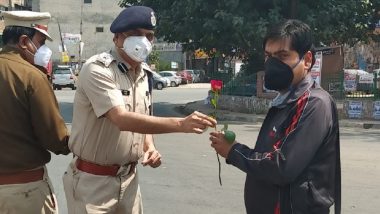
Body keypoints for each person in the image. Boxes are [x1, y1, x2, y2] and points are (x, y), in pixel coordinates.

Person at [63, 6, 216, 214]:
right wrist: (180, 124)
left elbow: (143, 118)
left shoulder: (145, 74)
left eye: (149, 36)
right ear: (117, 38)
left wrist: (149, 146)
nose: (144, 41)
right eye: (136, 34)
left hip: (129, 182)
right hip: (93, 184)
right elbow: (121, 118)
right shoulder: (97, 69)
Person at [210, 19, 341, 214]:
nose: (272, 63)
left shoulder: (314, 103)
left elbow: (282, 166)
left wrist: (234, 151)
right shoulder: (286, 101)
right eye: (269, 56)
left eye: (282, 56)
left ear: (306, 60)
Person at [0, 11, 70, 213]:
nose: (44, 50)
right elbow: (55, 138)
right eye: (40, 42)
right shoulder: (31, 76)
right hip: (24, 192)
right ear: (24, 41)